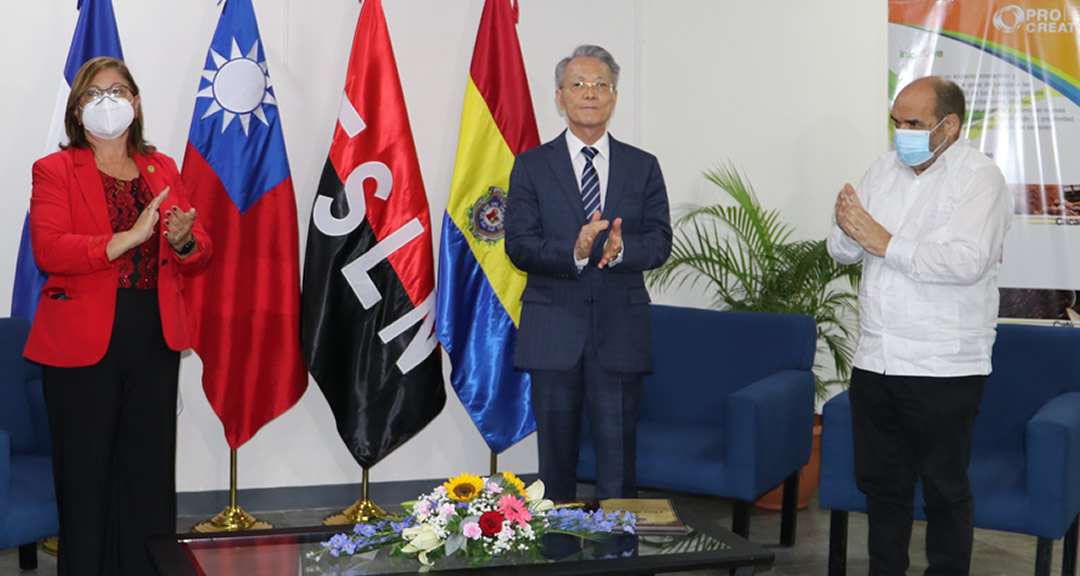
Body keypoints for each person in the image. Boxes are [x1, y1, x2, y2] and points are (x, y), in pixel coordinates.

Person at [24, 56, 213, 576]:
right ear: (77, 108)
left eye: (119, 90)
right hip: (80, 341)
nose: (108, 100)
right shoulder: (55, 170)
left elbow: (200, 248)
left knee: (148, 474)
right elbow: (50, 249)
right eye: (94, 93)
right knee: (87, 478)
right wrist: (124, 241)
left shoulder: (163, 168)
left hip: (152, 335)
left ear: (135, 101)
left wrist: (184, 240)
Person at [827, 75, 1012, 575]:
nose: (900, 133)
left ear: (949, 127)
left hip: (943, 367)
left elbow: (966, 261)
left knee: (945, 493)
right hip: (876, 360)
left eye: (913, 123)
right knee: (882, 489)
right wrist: (846, 227)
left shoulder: (980, 179)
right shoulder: (882, 169)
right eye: (895, 122)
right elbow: (842, 248)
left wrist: (885, 242)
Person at [505, 45, 672, 502]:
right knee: (555, 464)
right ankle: (557, 555)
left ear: (614, 96)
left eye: (601, 85)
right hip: (552, 331)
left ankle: (620, 554)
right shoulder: (531, 166)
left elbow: (660, 241)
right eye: (579, 85)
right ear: (560, 97)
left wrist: (622, 250)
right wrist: (573, 252)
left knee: (619, 461)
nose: (590, 94)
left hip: (620, 332)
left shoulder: (643, 166)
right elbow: (518, 245)